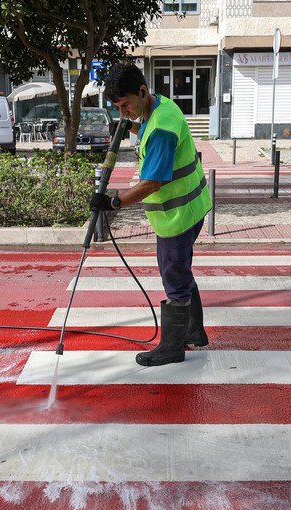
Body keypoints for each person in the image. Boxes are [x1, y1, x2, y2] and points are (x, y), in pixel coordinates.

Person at [90, 61, 212, 367]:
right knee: (181, 269)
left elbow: (152, 182)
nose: (123, 112)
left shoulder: (160, 130)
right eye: (118, 108)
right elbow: (143, 124)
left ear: (143, 92)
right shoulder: (160, 106)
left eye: (126, 106)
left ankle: (173, 347)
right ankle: (194, 331)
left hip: (177, 216)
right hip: (191, 206)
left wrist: (114, 203)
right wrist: (128, 125)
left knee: (174, 274)